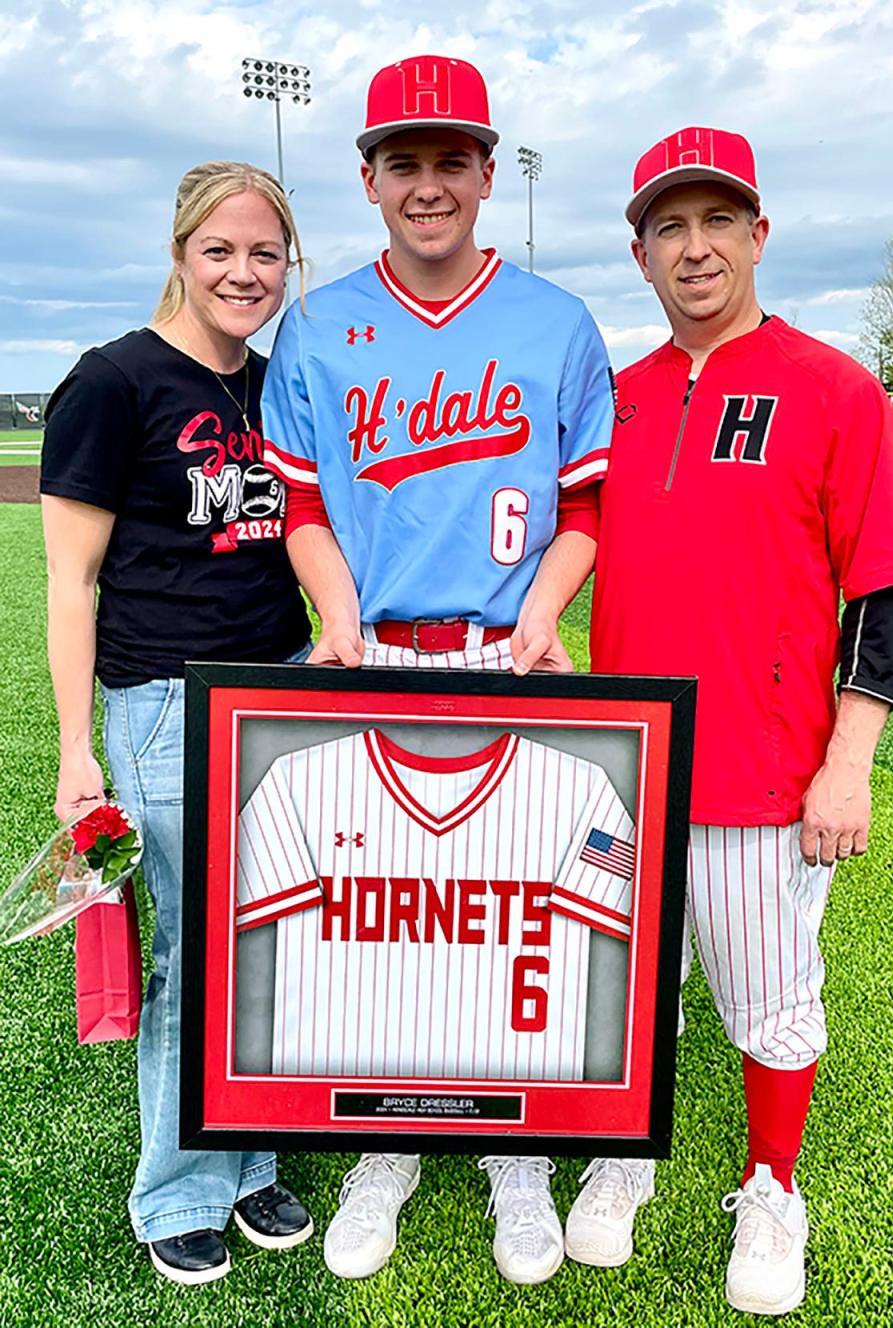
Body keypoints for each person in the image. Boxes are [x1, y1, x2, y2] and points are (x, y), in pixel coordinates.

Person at [261, 54, 640, 1286]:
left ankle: (515, 1161)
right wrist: (333, 612)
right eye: (403, 162)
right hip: (369, 658)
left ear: (487, 171)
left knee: (504, 920)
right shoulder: (317, 325)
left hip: (502, 653)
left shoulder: (554, 321)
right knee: (382, 925)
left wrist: (542, 611)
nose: (430, 184)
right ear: (368, 179)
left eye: (451, 160)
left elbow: (586, 504)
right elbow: (303, 502)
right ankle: (387, 1145)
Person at [589, 126, 893, 1314]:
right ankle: (623, 1160)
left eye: (716, 221)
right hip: (623, 770)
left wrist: (851, 763)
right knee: (625, 982)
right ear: (640, 255)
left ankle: (773, 1185)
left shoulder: (832, 387)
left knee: (770, 995)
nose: (695, 247)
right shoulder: (620, 398)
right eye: (669, 227)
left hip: (761, 772)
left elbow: (882, 591)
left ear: (757, 234)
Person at [40, 161, 316, 1285]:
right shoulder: (111, 381)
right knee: (192, 957)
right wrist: (75, 749)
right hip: (167, 700)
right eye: (221, 251)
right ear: (179, 251)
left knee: (282, 939)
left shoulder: (276, 382)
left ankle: (248, 1162)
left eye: (266, 254)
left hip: (287, 688)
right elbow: (71, 583)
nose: (245, 273)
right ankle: (178, 1187)